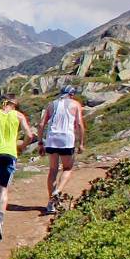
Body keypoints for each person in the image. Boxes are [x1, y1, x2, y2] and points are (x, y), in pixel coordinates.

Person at [0, 93, 36, 243]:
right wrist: (22, 146)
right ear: (15, 105)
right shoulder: (19, 116)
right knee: (3, 188)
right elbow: (30, 135)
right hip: (10, 154)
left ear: (4, 103)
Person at [37, 86, 86, 214]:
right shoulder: (75, 104)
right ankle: (58, 191)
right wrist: (81, 143)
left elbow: (42, 124)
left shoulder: (51, 104)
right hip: (66, 139)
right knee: (67, 168)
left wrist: (40, 142)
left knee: (53, 169)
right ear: (71, 94)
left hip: (52, 138)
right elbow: (79, 124)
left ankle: (50, 203)